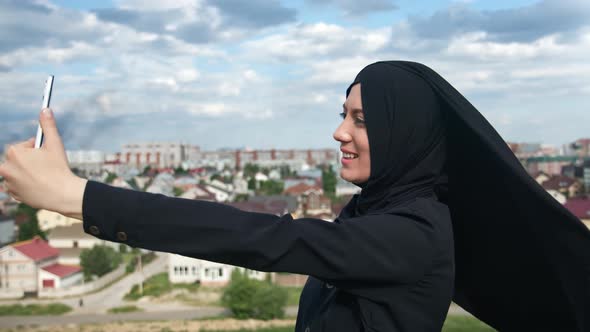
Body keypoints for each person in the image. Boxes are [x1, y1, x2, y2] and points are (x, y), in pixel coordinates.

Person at [0, 61, 588, 332]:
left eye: (361, 120)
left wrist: (80, 196)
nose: (339, 133)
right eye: (342, 115)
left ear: (404, 133)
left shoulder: (412, 234)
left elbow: (261, 238)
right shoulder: (374, 210)